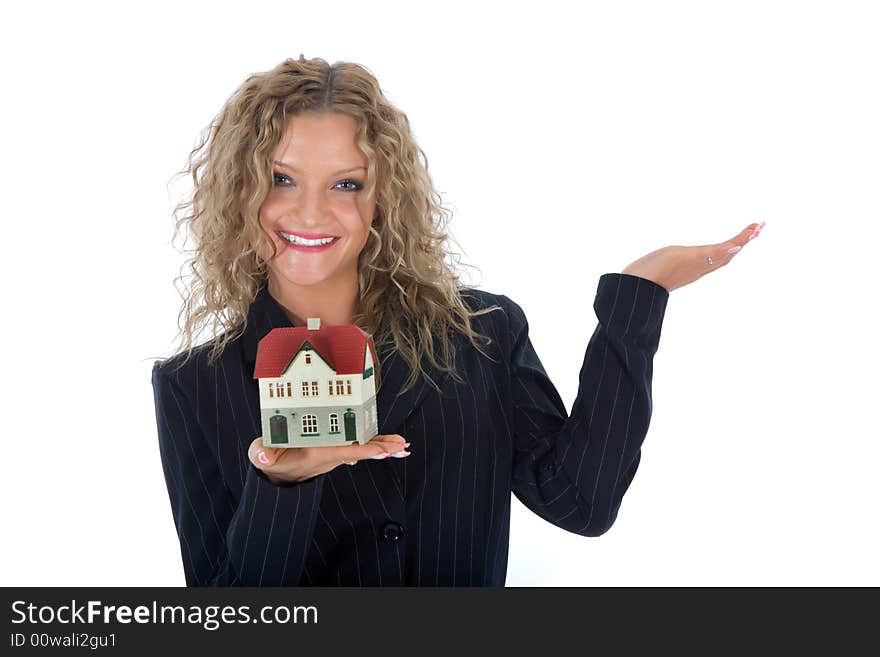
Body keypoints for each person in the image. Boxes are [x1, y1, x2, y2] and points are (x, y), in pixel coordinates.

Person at [150, 55, 764, 586]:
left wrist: (639, 296)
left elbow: (581, 501)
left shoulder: (482, 332)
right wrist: (281, 489)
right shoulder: (191, 385)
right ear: (240, 189)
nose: (310, 212)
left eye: (346, 183)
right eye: (282, 178)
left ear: (381, 199)